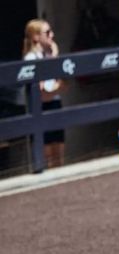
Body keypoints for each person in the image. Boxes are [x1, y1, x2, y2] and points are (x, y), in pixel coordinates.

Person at [22, 19, 66, 168]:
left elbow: (62, 84)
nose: (52, 35)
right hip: (40, 108)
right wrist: (54, 89)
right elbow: (41, 93)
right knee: (46, 154)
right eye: (47, 32)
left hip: (55, 104)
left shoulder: (49, 56)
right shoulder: (30, 59)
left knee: (59, 151)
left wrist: (54, 58)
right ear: (36, 37)